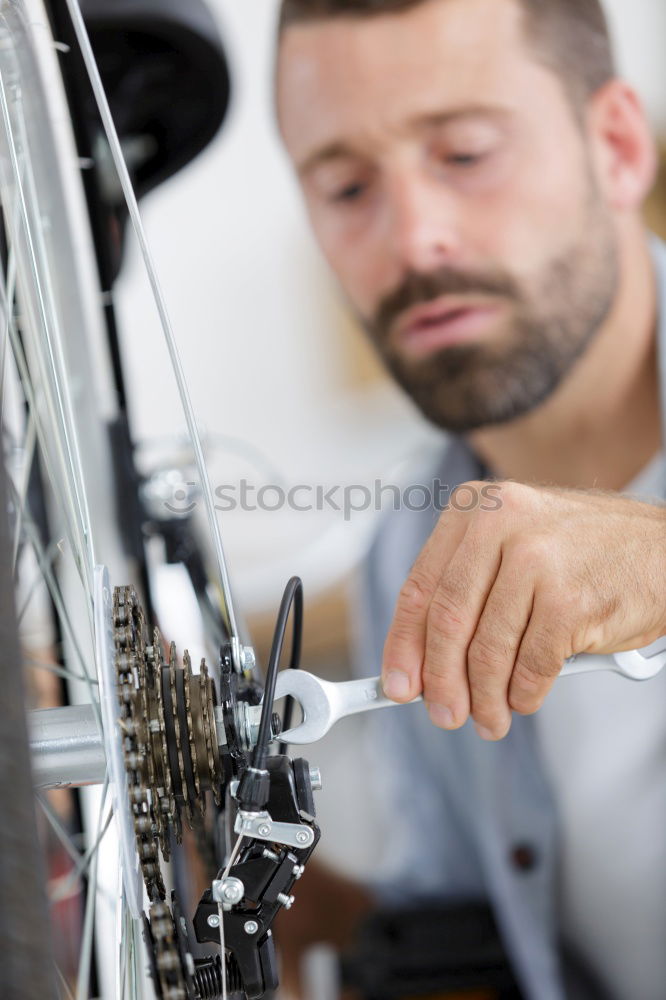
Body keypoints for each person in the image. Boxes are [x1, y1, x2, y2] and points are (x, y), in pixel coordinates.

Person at [273, 1, 666, 997]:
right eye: (349, 186)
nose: (415, 241)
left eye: (466, 153)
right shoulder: (408, 551)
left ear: (617, 146)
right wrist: (275, 892)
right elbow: (478, 956)